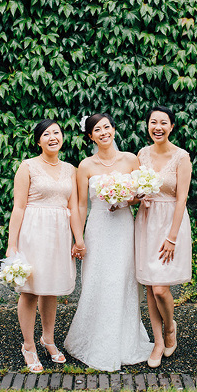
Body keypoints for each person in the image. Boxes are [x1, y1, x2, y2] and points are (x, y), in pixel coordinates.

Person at [64, 113, 154, 371]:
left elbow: (140, 194)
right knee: (97, 280)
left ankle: (124, 341)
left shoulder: (130, 159)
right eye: (97, 130)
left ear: (113, 129)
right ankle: (95, 340)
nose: (103, 132)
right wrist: (79, 238)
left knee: (121, 280)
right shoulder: (85, 166)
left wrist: (125, 198)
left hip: (123, 226)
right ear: (90, 136)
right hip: (98, 227)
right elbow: (81, 204)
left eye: (107, 127)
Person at [6, 119, 86, 373]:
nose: (53, 137)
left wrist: (79, 239)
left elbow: (73, 207)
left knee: (51, 289)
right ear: (38, 141)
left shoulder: (70, 169)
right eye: (46, 134)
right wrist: (11, 245)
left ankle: (48, 339)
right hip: (33, 231)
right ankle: (28, 345)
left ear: (62, 137)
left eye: (57, 132)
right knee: (30, 290)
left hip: (59, 234)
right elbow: (19, 207)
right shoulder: (27, 166)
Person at [134, 106, 192, 368]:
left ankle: (170, 328)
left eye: (163, 123)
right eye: (153, 122)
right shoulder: (142, 154)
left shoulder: (181, 157)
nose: (157, 127)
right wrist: (135, 198)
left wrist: (172, 237)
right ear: (148, 125)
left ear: (171, 127)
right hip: (146, 221)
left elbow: (182, 199)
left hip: (170, 222)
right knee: (150, 285)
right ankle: (158, 342)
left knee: (160, 289)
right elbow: (138, 191)